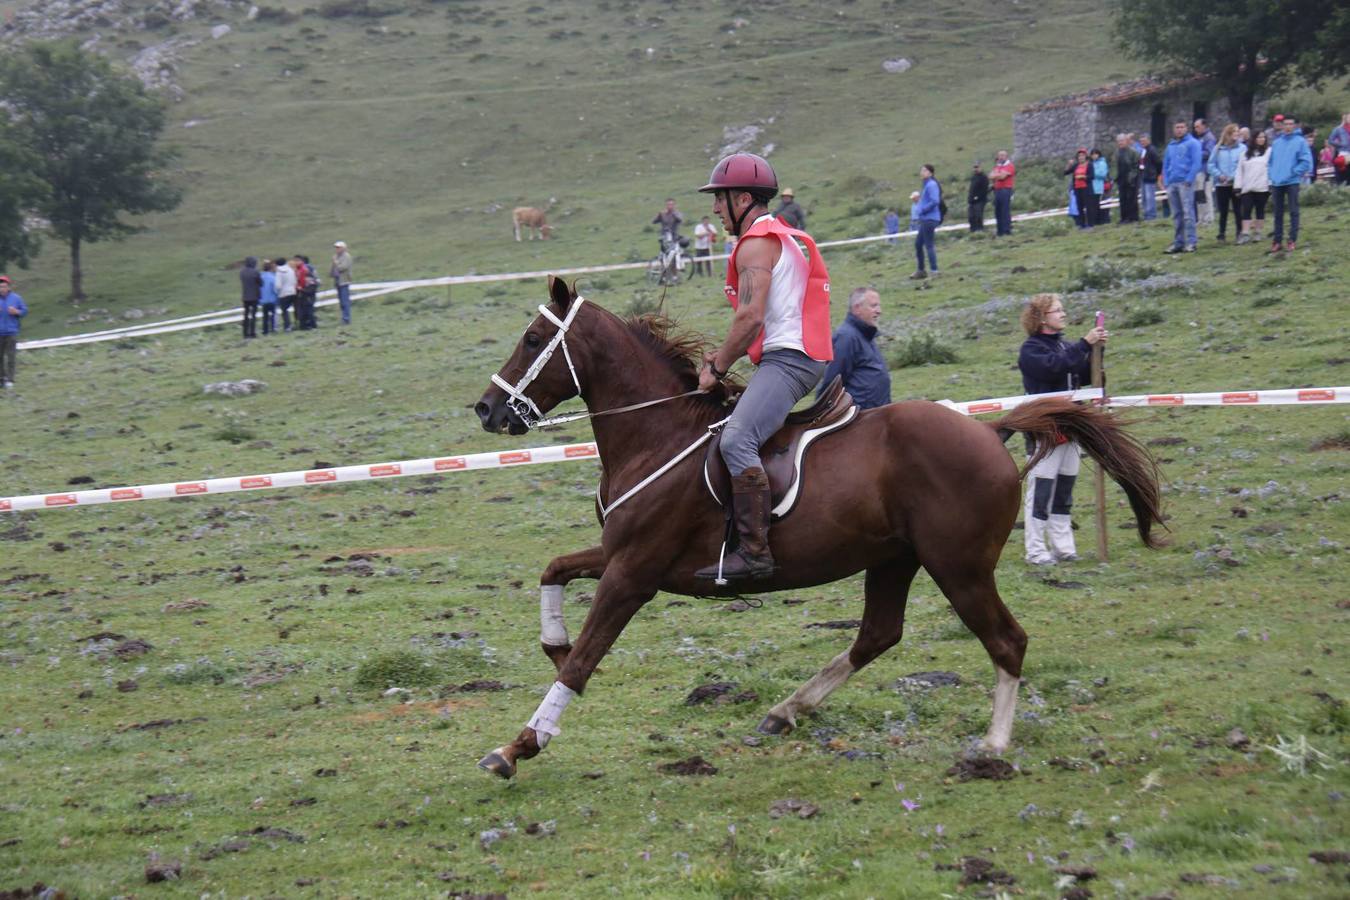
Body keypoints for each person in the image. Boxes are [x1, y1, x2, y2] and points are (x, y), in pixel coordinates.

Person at [692, 152, 832, 582]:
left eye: (720, 199)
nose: (715, 209)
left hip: (789, 360)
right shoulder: (778, 236)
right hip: (787, 356)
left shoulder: (756, 242)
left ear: (744, 198)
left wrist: (716, 366)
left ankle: (754, 553)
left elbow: (750, 318)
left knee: (736, 441)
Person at [1017, 293, 1108, 565]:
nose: (1063, 314)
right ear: (1042, 317)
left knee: (1064, 491)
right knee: (1042, 490)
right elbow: (1054, 368)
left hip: (1071, 429)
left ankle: (1063, 547)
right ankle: (1035, 550)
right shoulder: (1031, 350)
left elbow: (1083, 372)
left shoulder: (1064, 346)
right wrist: (1084, 343)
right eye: (1057, 310)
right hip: (1044, 431)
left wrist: (1096, 350)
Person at [819, 287, 890, 410]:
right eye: (874, 306)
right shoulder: (847, 337)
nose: (879, 311)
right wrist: (820, 413)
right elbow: (833, 381)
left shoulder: (866, 335)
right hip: (860, 418)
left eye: (879, 306)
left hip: (876, 416)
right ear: (857, 308)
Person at [1267, 114, 1314, 254]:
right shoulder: (1276, 142)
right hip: (1277, 182)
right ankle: (1277, 240)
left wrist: (1294, 172)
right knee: (1278, 212)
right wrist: (1272, 175)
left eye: (1290, 124)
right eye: (1285, 124)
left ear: (1294, 126)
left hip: (1292, 181)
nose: (1287, 127)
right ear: (1282, 126)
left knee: (1293, 211)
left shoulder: (1300, 141)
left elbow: (1305, 161)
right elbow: (1271, 161)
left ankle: (1292, 239)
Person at [1163, 120, 1202, 253]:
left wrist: (1189, 179)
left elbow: (1196, 163)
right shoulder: (1171, 146)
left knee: (1188, 213)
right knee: (1176, 214)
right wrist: (1166, 181)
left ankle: (1191, 241)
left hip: (1185, 182)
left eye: (1182, 127)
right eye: (1177, 127)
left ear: (1186, 128)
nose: (1179, 130)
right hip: (1172, 183)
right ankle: (1178, 242)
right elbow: (1166, 163)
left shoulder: (1193, 143)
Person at [1208, 123, 1246, 242]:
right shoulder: (1218, 148)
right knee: (1223, 210)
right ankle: (1221, 233)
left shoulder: (1242, 148)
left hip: (1236, 183)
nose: (1237, 133)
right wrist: (1219, 175)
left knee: (1238, 209)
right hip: (1222, 184)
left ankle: (1240, 232)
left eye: (1238, 131)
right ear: (1228, 134)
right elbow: (1211, 164)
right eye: (1234, 131)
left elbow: (1244, 164)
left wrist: (1235, 176)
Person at [1234, 128, 1271, 245]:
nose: (1261, 139)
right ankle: (1245, 233)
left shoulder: (1269, 152)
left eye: (1263, 137)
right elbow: (1239, 171)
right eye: (1259, 137)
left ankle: (1258, 232)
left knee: (1260, 210)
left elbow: (1271, 168)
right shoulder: (1244, 154)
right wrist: (1237, 186)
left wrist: (1271, 184)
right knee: (1246, 209)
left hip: (1262, 186)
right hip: (1247, 187)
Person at [910, 165, 941, 279]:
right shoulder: (926, 185)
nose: (922, 172)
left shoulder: (931, 185)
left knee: (929, 245)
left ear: (930, 173)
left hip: (930, 218)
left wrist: (922, 210)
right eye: (921, 170)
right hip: (925, 219)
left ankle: (934, 271)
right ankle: (921, 270)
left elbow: (935, 201)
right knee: (918, 244)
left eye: (925, 170)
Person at [0, 276, 28, 390]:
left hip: (11, 332)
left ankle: (10, 380)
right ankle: (2, 379)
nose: (2, 289)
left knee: (11, 356)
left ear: (9, 287)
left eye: (4, 286)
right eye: (0, 287)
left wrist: (16, 311)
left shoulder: (16, 298)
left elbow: (25, 311)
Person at [1193, 118, 1217, 224]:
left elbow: (1210, 153)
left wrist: (1197, 154)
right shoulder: (1199, 138)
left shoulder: (1209, 138)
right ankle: (1201, 217)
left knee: (1206, 194)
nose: (1195, 129)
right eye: (1195, 127)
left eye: (1197, 126)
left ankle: (1209, 217)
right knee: (1199, 194)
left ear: (1204, 126)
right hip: (1198, 170)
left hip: (1206, 170)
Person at [1114, 134, 1140, 223]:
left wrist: (1132, 177)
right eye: (1119, 141)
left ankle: (1133, 217)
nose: (1120, 143)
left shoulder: (1133, 152)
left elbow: (1136, 166)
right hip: (1121, 179)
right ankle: (1124, 217)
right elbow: (1115, 166)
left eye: (1122, 141)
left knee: (1132, 198)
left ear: (1126, 141)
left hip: (1131, 179)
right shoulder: (1117, 153)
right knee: (1122, 198)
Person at [1064, 149, 1093, 229]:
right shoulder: (1076, 165)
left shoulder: (1089, 165)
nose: (1081, 157)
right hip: (1077, 188)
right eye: (1079, 156)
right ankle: (1082, 224)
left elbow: (1092, 176)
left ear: (1085, 156)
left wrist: (1083, 177)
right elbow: (1065, 172)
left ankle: (1089, 224)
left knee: (1088, 207)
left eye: (1082, 156)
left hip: (1086, 188)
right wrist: (1069, 165)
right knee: (1079, 207)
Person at [1137, 135, 1163, 220]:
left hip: (1150, 177)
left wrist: (1157, 174)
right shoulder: (1142, 151)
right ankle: (1146, 214)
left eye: (1144, 141)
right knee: (1144, 197)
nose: (1142, 143)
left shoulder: (1152, 150)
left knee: (1150, 197)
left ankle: (1151, 215)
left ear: (1148, 140)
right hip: (1143, 176)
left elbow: (1158, 162)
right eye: (1141, 141)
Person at [991, 149, 1016, 236]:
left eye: (1002, 155)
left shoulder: (1010, 166)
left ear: (1006, 156)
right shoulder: (997, 166)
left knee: (1005, 210)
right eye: (999, 155)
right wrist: (998, 175)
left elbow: (1002, 177)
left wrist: (997, 175)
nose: (1000, 157)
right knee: (997, 211)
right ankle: (1000, 231)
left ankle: (1007, 230)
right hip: (997, 190)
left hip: (1006, 190)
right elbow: (991, 176)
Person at [239, 255, 261, 339]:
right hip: (254, 296)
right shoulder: (255, 272)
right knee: (253, 315)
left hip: (245, 296)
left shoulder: (242, 272)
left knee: (246, 315)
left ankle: (245, 333)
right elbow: (260, 283)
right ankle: (252, 332)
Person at [331, 240, 353, 325]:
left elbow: (343, 267)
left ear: (343, 248)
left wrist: (335, 263)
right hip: (338, 281)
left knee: (345, 301)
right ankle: (344, 317)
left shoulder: (346, 256)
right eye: (336, 248)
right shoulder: (336, 256)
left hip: (344, 281)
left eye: (338, 247)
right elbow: (334, 268)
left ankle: (346, 318)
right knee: (341, 301)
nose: (337, 249)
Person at [274, 256, 297, 332]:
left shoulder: (279, 272)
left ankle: (287, 326)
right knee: (296, 308)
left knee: (284, 310)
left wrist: (277, 291)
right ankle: (297, 322)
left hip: (284, 293)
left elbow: (278, 285)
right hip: (293, 291)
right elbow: (294, 281)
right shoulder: (290, 269)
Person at [967, 161, 989, 232]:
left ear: (981, 168)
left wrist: (977, 197)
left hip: (980, 200)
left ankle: (979, 230)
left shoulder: (984, 177)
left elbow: (984, 190)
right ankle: (972, 230)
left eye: (977, 167)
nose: (975, 169)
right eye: (974, 167)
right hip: (972, 200)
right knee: (971, 216)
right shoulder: (974, 177)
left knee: (978, 216)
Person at [1329, 113, 1350, 185]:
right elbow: (1330, 140)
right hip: (1343, 154)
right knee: (1343, 175)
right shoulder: (1339, 129)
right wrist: (1341, 145)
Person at [1089, 148, 1109, 225]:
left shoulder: (1102, 163)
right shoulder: (1091, 163)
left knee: (1096, 204)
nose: (1094, 156)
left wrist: (1093, 173)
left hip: (1098, 186)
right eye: (1092, 154)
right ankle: (1095, 220)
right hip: (1091, 187)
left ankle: (1099, 220)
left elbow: (1103, 174)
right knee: (1092, 205)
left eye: (1095, 154)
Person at [259, 259, 279, 335]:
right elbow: (275, 288)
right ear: (270, 268)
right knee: (273, 314)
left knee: (265, 316)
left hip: (263, 299)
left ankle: (265, 330)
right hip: (272, 299)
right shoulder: (272, 277)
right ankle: (274, 328)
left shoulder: (260, 277)